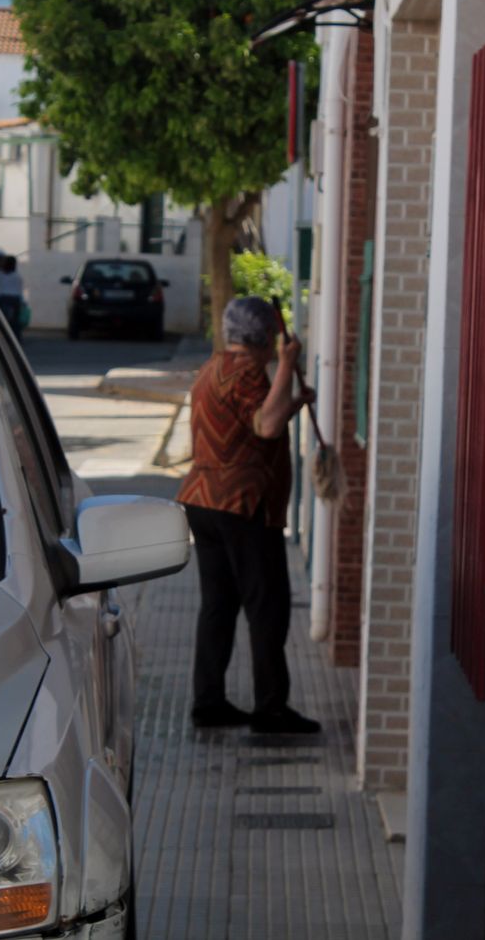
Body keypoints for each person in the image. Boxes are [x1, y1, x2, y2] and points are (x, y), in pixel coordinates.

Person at [176, 296, 320, 734]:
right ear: (265, 338)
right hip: (240, 505)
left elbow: (254, 419)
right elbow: (266, 426)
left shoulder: (213, 368)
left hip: (204, 500)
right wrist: (287, 362)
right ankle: (271, 708)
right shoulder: (246, 372)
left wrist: (292, 401)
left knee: (219, 605)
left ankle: (209, 701)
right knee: (268, 605)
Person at [0, 255, 24, 339]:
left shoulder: (1, 274)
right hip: (15, 300)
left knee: (2, 319)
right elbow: (19, 290)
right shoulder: (17, 276)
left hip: (3, 299)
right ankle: (17, 338)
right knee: (15, 321)